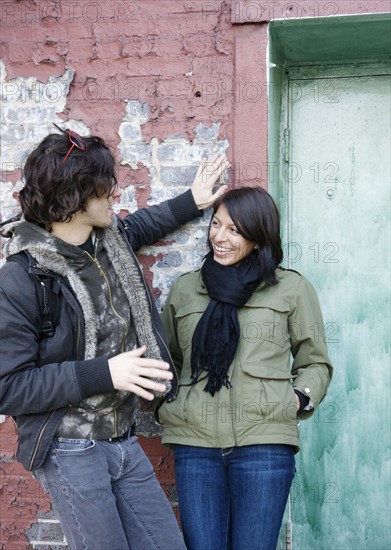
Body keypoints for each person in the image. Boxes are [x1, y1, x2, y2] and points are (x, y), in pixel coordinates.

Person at [0, 124, 229, 550]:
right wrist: (104, 373)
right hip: (69, 446)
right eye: (104, 188)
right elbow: (8, 388)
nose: (115, 194)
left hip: (122, 436)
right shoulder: (22, 278)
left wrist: (193, 201)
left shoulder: (110, 242)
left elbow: (142, 223)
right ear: (73, 198)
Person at [158, 186, 333, 550]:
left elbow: (314, 361)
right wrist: (168, 405)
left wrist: (296, 400)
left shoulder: (291, 289)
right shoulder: (187, 289)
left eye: (234, 230)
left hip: (264, 447)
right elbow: (169, 360)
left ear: (258, 238)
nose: (219, 237)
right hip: (196, 445)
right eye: (216, 225)